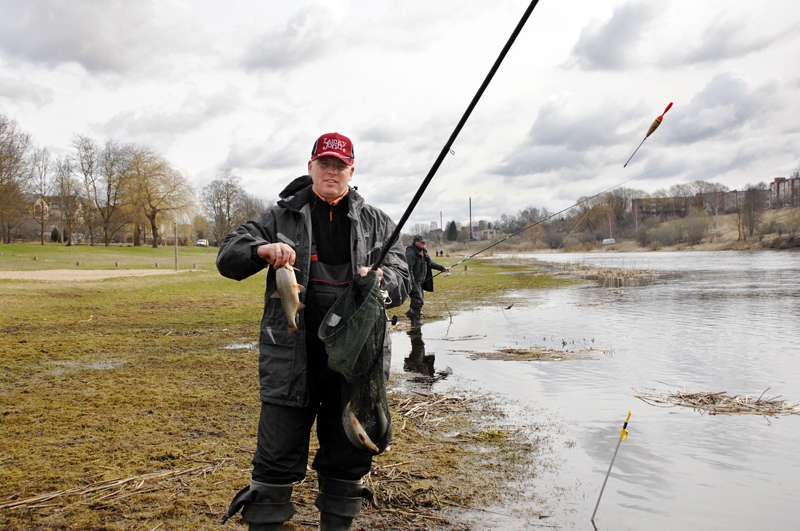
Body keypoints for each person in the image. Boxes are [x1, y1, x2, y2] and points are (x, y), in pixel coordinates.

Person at [216, 132, 410, 531]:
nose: (332, 172)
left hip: (354, 371)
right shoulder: (278, 218)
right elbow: (227, 255)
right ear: (311, 167)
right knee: (272, 465)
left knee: (346, 463)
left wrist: (381, 281)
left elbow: (403, 277)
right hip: (290, 364)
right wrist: (261, 251)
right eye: (325, 164)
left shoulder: (377, 222)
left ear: (351, 171)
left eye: (340, 166)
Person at [404, 235, 448, 327]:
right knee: (419, 301)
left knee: (418, 300)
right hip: (413, 281)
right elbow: (409, 269)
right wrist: (412, 282)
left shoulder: (423, 252)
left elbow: (430, 263)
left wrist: (442, 268)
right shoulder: (411, 253)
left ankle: (412, 315)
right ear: (416, 242)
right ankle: (416, 320)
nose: (424, 244)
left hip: (420, 281)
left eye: (424, 242)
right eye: (421, 242)